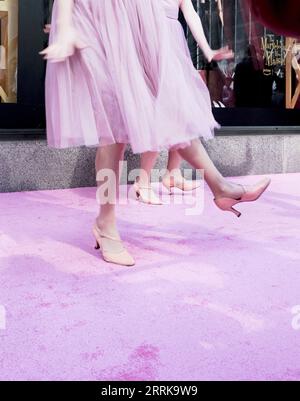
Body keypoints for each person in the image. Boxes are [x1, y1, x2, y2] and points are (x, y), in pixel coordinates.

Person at [42, 0, 270, 267]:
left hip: (137, 14)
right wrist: (65, 22)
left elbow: (190, 12)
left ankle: (219, 186)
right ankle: (106, 222)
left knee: (166, 109)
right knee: (112, 123)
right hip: (98, 13)